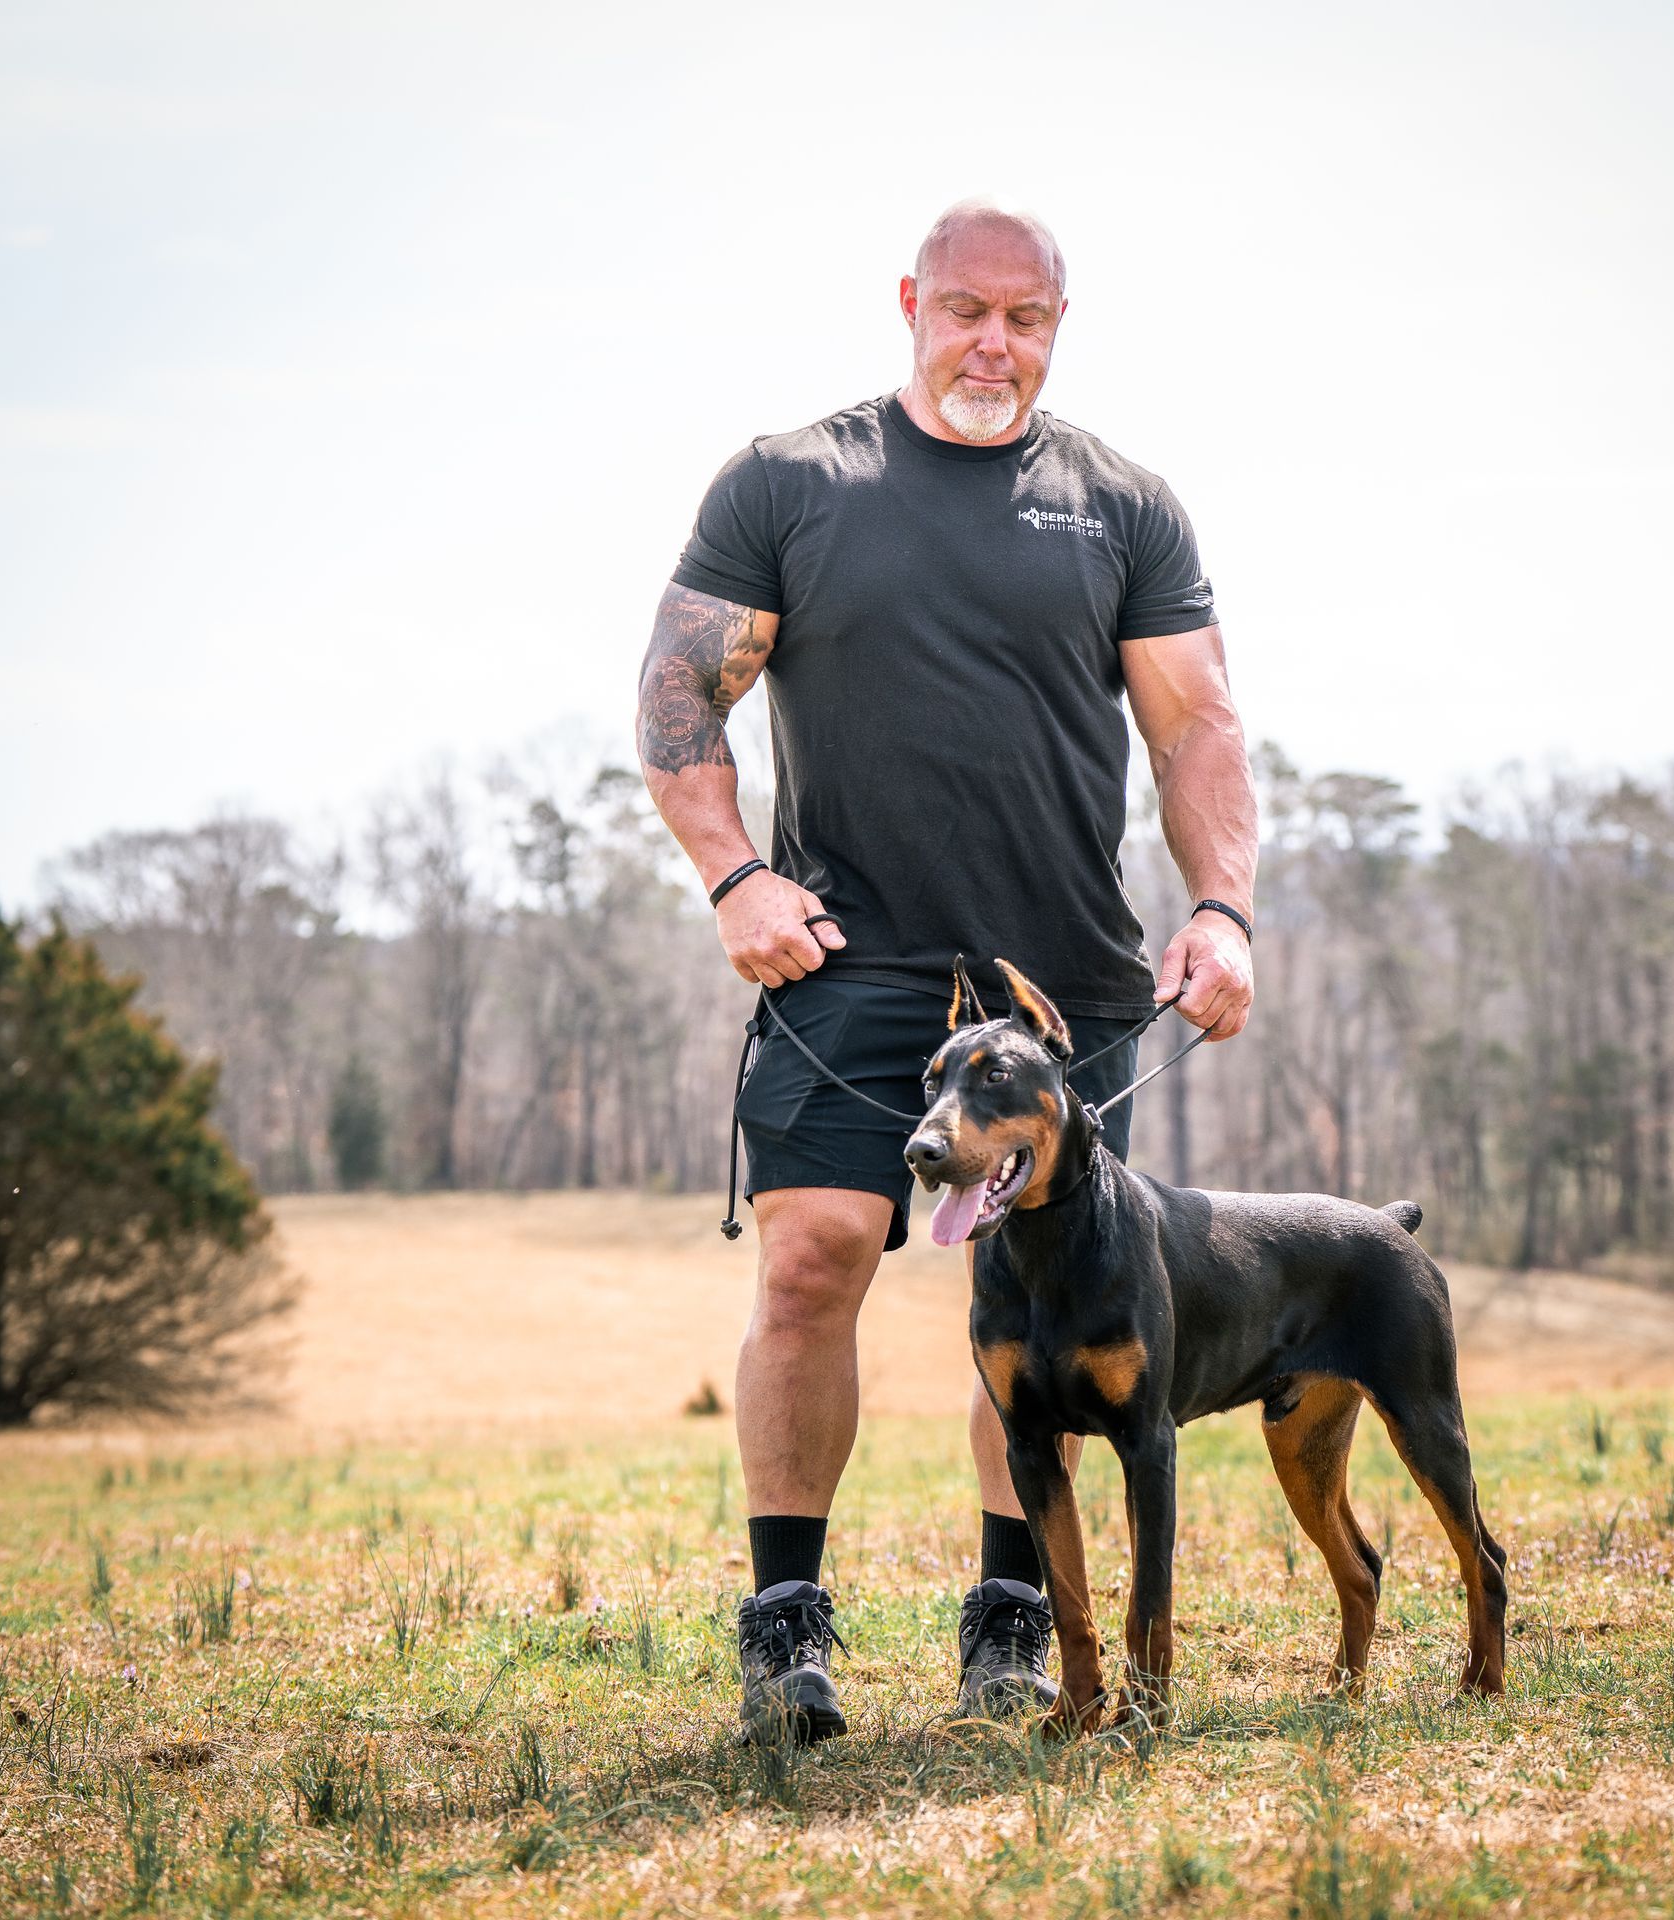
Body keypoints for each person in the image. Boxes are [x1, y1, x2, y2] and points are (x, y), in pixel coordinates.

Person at [636, 198, 1258, 1743]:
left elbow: (1195, 727)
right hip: (849, 955)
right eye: (967, 310)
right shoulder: (792, 482)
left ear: (1060, 323)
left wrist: (1225, 904)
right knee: (813, 1257)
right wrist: (735, 876)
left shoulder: (1127, 505)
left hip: (1062, 986)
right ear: (912, 302)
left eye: (1027, 318)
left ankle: (1009, 1619)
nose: (996, 343)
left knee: (1040, 1310)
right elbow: (675, 701)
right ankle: (786, 1624)